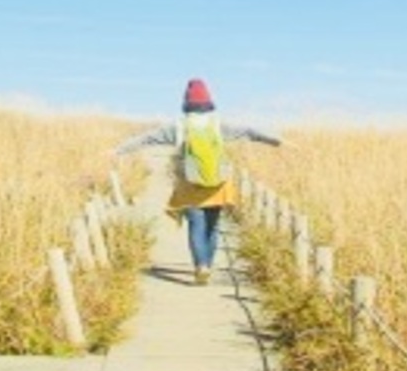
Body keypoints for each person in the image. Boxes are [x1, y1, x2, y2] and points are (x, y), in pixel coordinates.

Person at [115, 78, 282, 285]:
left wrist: (117, 150)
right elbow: (249, 132)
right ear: (209, 101)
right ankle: (208, 266)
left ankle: (200, 266)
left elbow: (146, 138)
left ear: (186, 101)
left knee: (196, 226)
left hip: (189, 183)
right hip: (217, 183)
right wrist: (277, 141)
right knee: (212, 227)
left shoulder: (178, 127)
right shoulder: (217, 125)